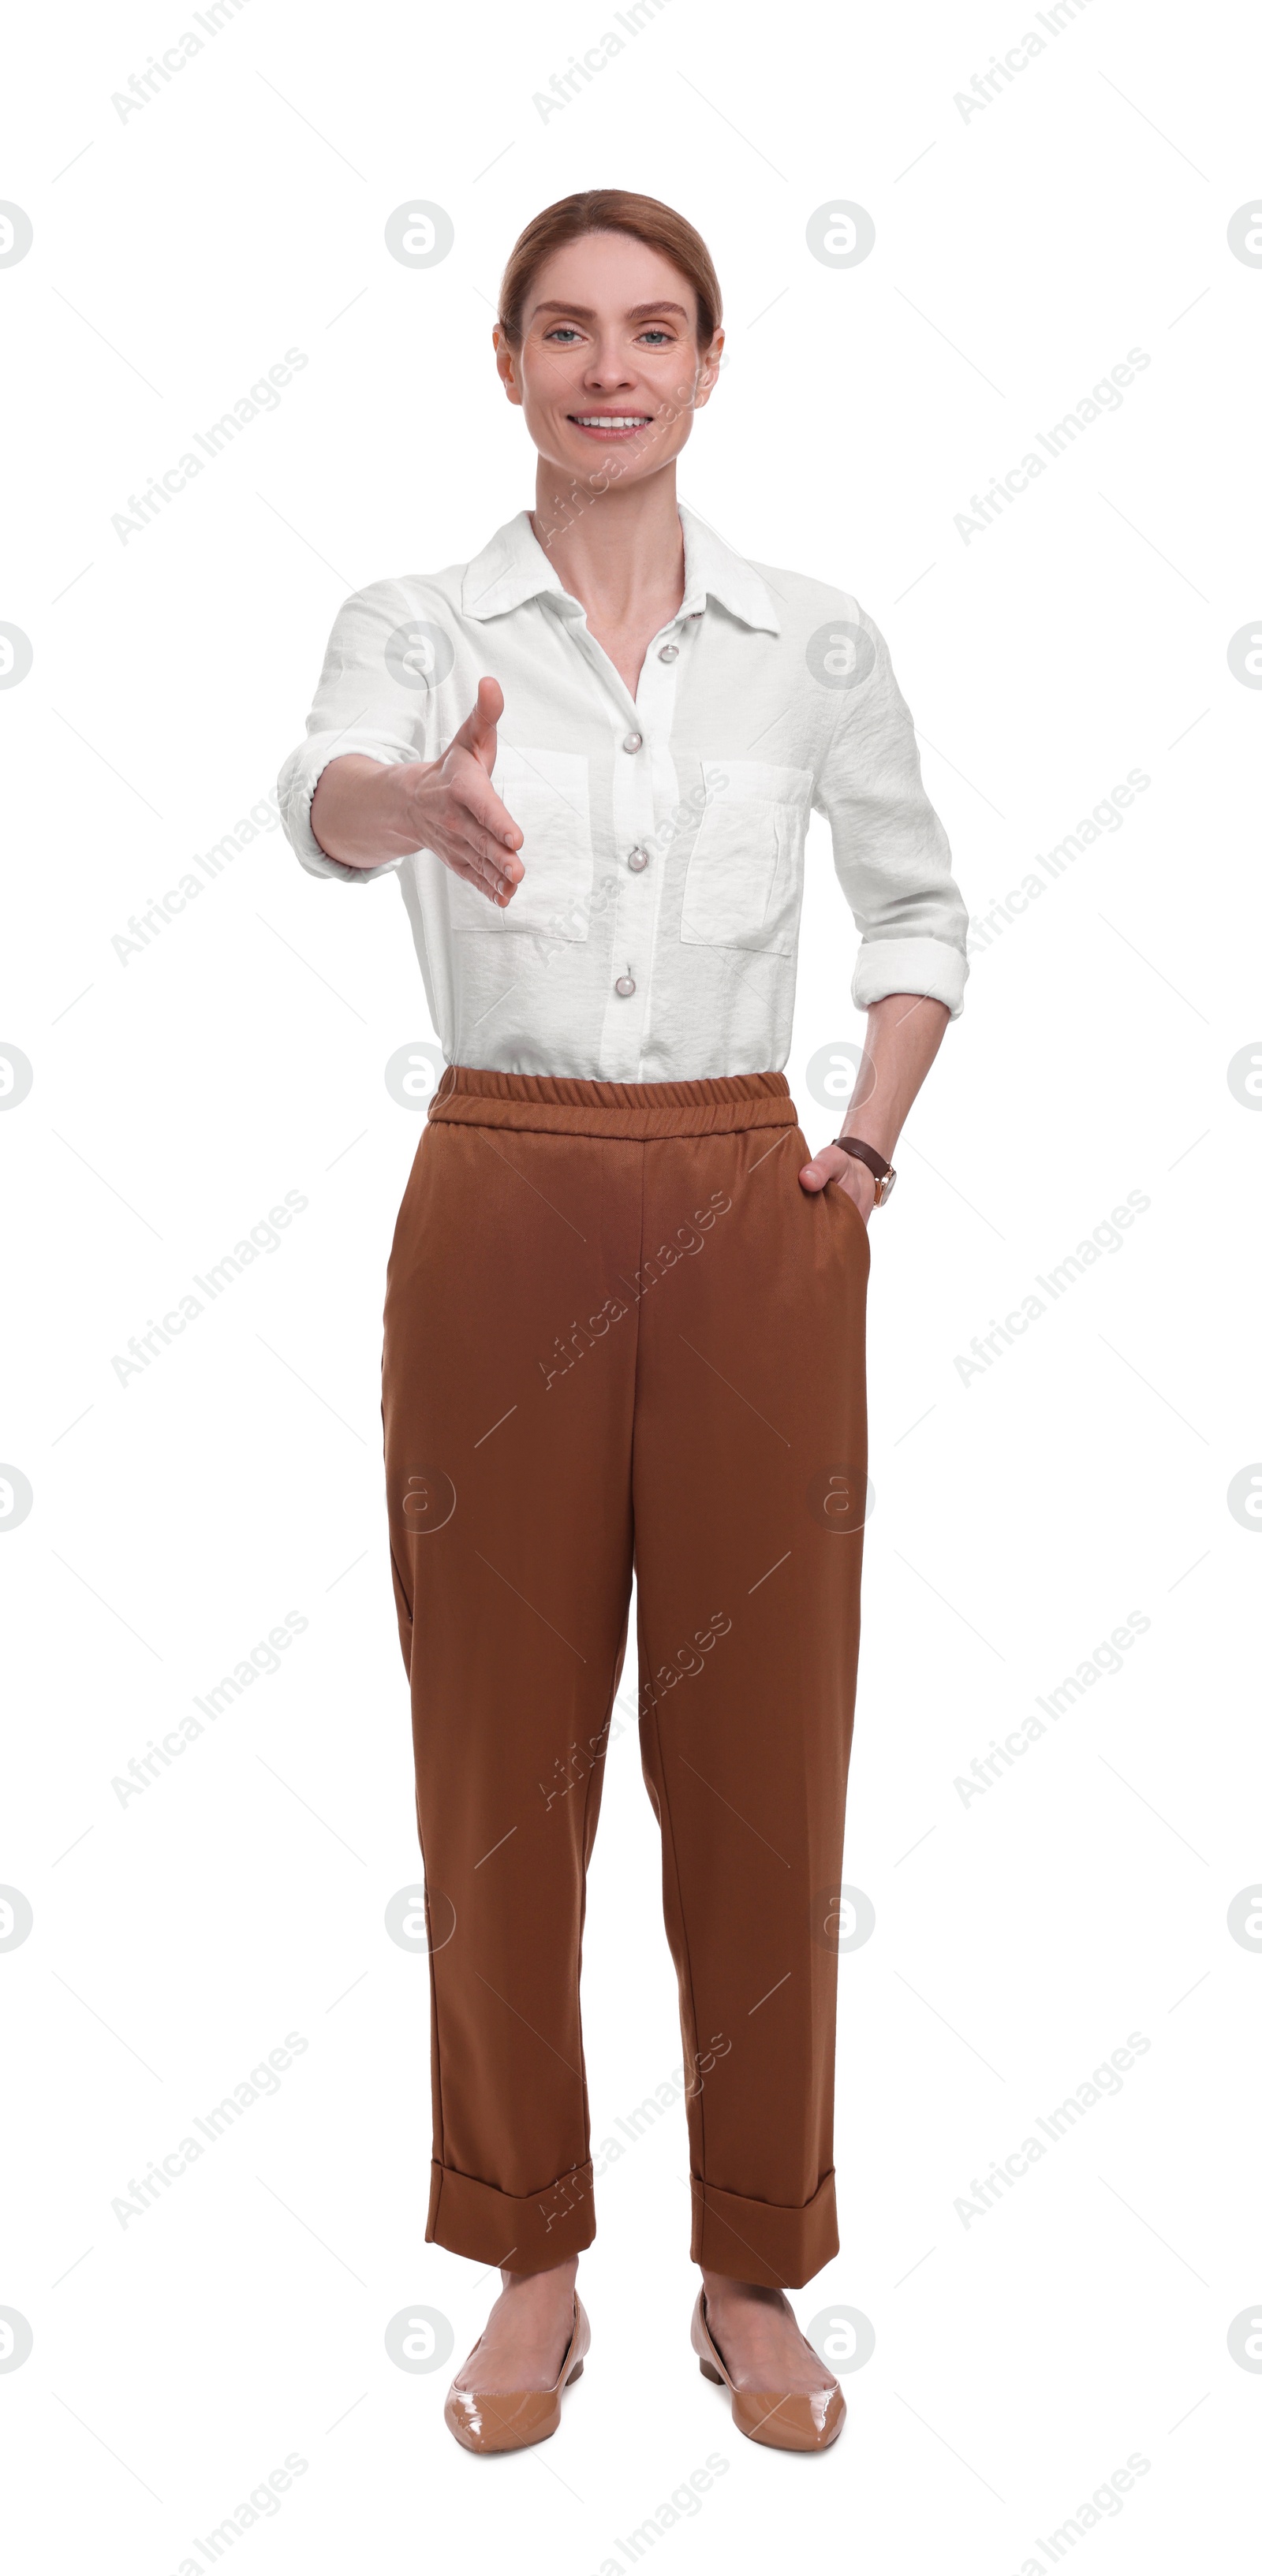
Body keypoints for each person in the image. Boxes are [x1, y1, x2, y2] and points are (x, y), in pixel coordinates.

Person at [277, 188, 968, 2455]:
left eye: (652, 330)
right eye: (563, 330)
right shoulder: (417, 618)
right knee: (502, 1766)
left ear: (708, 362)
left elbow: (921, 910)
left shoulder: (815, 642)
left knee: (762, 1761)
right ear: (504, 362)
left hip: (755, 1206)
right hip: (501, 1195)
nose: (609, 367)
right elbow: (330, 796)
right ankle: (531, 2254)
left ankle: (756, 2261)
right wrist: (415, 797)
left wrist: (858, 1151)